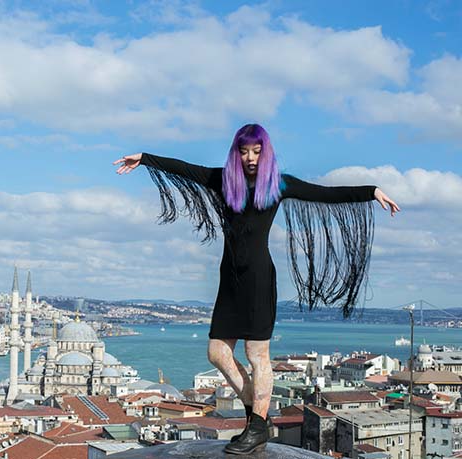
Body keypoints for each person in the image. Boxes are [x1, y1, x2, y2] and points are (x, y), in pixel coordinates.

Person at [113, 124, 399, 455]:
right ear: (237, 153)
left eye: (256, 152)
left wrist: (372, 190)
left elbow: (327, 194)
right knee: (217, 352)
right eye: (244, 151)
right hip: (229, 280)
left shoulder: (279, 184)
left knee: (256, 355)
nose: (250, 158)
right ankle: (256, 420)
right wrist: (146, 159)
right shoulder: (223, 180)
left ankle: (257, 427)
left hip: (259, 279)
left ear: (266, 153)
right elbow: (185, 169)